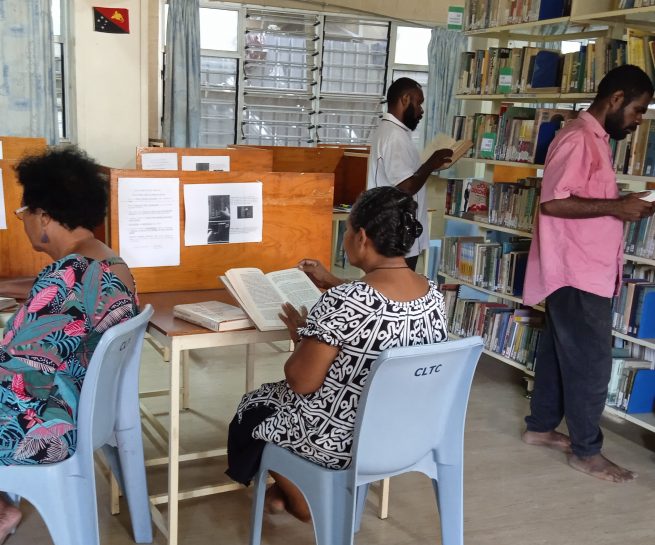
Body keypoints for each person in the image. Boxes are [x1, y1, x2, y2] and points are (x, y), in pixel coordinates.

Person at [226, 186, 448, 521]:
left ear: (361, 237)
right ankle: (287, 491)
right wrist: (331, 287)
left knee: (252, 408)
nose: (344, 238)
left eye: (346, 230)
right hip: (406, 431)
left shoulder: (344, 301)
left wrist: (302, 339)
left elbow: (301, 382)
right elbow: (383, 311)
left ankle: (303, 501)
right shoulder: (432, 294)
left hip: (343, 440)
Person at [521, 64, 655, 483]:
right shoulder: (579, 138)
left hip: (581, 267)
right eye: (637, 110)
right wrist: (618, 206)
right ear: (616, 99)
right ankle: (587, 452)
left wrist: (624, 202)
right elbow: (553, 202)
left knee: (559, 353)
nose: (638, 121)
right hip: (577, 271)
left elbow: (582, 197)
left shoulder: (595, 139)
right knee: (591, 364)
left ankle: (541, 427)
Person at [0, 146, 139, 540]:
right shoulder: (109, 263)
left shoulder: (67, 277)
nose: (24, 222)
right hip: (81, 409)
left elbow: (18, 369)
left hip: (49, 422)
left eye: (24, 213)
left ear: (44, 216)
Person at [367, 77, 454, 271]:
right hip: (395, 235)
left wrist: (430, 165)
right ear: (405, 99)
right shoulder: (394, 136)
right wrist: (430, 163)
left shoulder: (396, 132)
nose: (421, 111)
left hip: (399, 233)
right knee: (397, 288)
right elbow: (406, 186)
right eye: (419, 103)